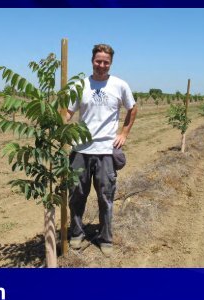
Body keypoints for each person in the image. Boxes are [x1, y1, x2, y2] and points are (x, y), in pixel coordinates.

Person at [66, 44, 138, 256]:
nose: (101, 65)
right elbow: (68, 112)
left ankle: (106, 237)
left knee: (105, 197)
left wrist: (123, 133)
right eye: (98, 61)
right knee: (76, 195)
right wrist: (58, 125)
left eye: (106, 62)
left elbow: (132, 108)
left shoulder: (119, 85)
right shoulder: (80, 85)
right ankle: (77, 233)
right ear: (92, 61)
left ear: (110, 63)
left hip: (106, 150)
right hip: (80, 150)